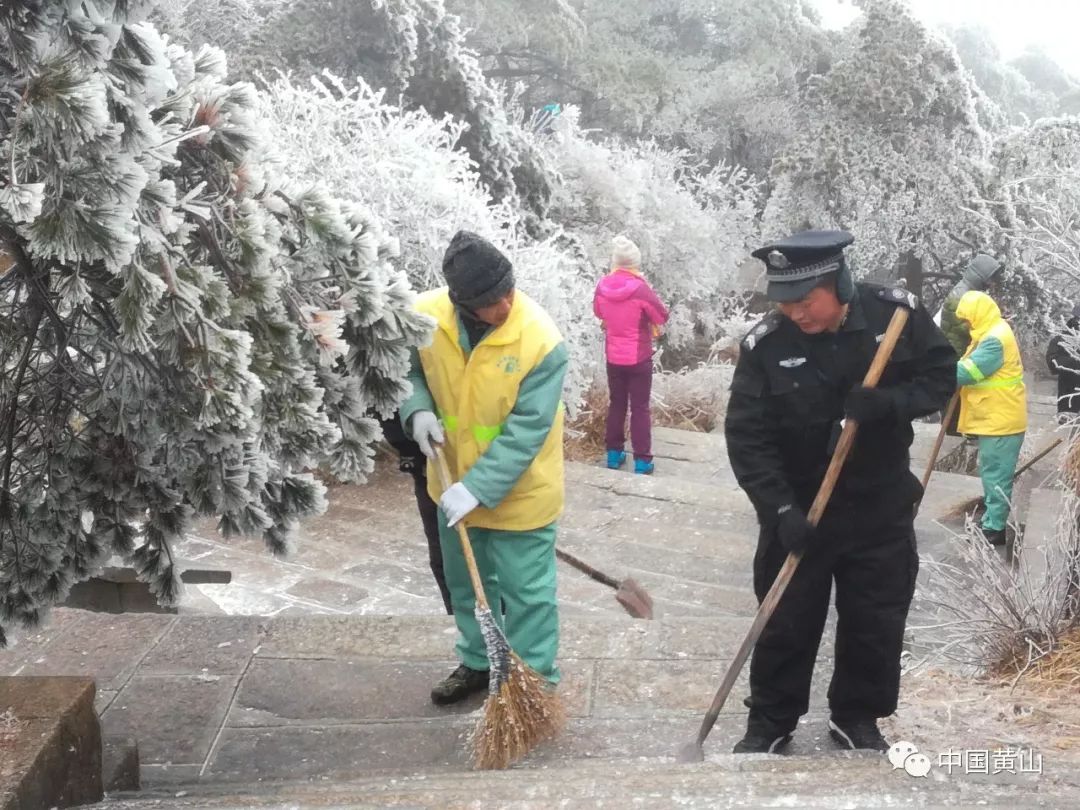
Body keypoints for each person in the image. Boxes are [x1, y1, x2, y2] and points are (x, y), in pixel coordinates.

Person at [725, 230, 956, 754]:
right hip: (801, 505)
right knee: (785, 618)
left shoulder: (894, 316)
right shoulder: (767, 344)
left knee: (875, 618)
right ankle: (771, 719)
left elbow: (941, 378)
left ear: (839, 284)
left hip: (879, 501)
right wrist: (779, 508)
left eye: (806, 303)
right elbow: (747, 435)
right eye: (785, 305)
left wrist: (891, 404)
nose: (797, 315)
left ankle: (857, 715)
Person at [401, 230, 568, 706]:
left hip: (521, 492)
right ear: (465, 303)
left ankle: (534, 687)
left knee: (528, 595)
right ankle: (477, 661)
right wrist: (416, 410)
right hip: (448, 482)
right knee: (467, 584)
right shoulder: (425, 316)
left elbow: (528, 430)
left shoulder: (541, 340)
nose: (506, 304)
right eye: (494, 301)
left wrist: (476, 488)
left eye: (508, 291)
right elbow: (406, 369)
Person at [955, 291, 1027, 547]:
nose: (966, 324)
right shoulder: (991, 330)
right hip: (998, 417)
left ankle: (994, 530)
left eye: (967, 319)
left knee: (996, 475)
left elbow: (969, 372)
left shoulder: (994, 339)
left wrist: (939, 370)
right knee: (993, 473)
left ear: (978, 314)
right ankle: (991, 521)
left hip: (1001, 419)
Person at [593, 235, 669, 475]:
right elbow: (661, 315)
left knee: (616, 404)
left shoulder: (602, 286)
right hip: (638, 358)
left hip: (613, 358)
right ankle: (642, 460)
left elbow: (598, 311)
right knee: (639, 407)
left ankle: (614, 454)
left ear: (615, 262)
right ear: (635, 263)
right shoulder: (640, 289)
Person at [378, 413, 452, 614]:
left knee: (498, 565)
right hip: (430, 469)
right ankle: (461, 625)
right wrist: (411, 451)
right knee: (446, 562)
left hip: (489, 472)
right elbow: (393, 399)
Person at [1046, 303, 1080, 420]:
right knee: (1069, 436)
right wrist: (1075, 361)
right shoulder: (1062, 339)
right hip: (1069, 406)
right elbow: (1053, 362)